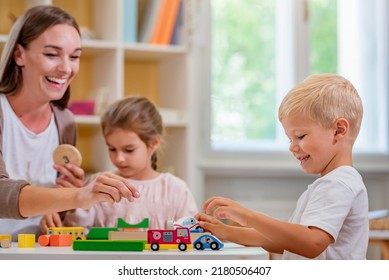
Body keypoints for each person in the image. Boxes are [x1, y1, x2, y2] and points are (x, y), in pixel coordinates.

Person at [0, 5, 139, 239]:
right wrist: (79, 195)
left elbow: (56, 214)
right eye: (51, 54)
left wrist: (66, 199)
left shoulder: (64, 121)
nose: (66, 68)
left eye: (74, 56)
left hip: (37, 251)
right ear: (19, 55)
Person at [196, 74, 369, 260]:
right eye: (290, 138)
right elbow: (287, 242)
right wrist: (226, 232)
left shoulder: (338, 183)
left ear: (339, 130)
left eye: (300, 136)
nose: (292, 147)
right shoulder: (333, 182)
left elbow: (311, 244)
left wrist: (249, 217)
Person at [41, 96, 198, 233]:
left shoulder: (175, 189)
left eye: (129, 150)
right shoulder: (100, 184)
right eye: (112, 149)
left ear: (153, 143)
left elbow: (190, 239)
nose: (119, 158)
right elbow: (75, 233)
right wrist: (60, 211)